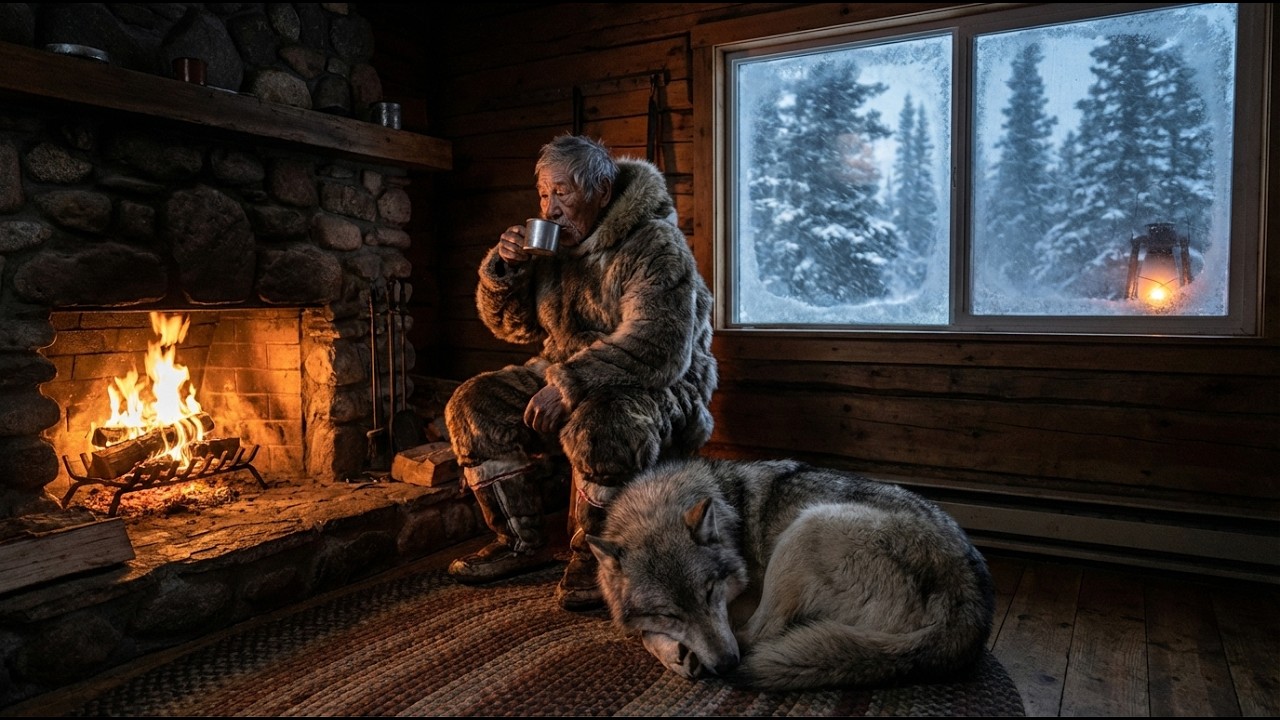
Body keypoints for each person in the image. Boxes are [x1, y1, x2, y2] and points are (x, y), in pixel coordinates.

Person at [443, 134, 718, 611]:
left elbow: (659, 348)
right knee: (472, 406)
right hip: (565, 371)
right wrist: (504, 271)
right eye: (545, 194)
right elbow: (514, 328)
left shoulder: (654, 243)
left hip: (656, 385)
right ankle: (521, 543)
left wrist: (569, 385)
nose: (550, 208)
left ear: (602, 192)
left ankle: (596, 559)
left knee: (603, 426)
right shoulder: (555, 248)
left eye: (563, 193)